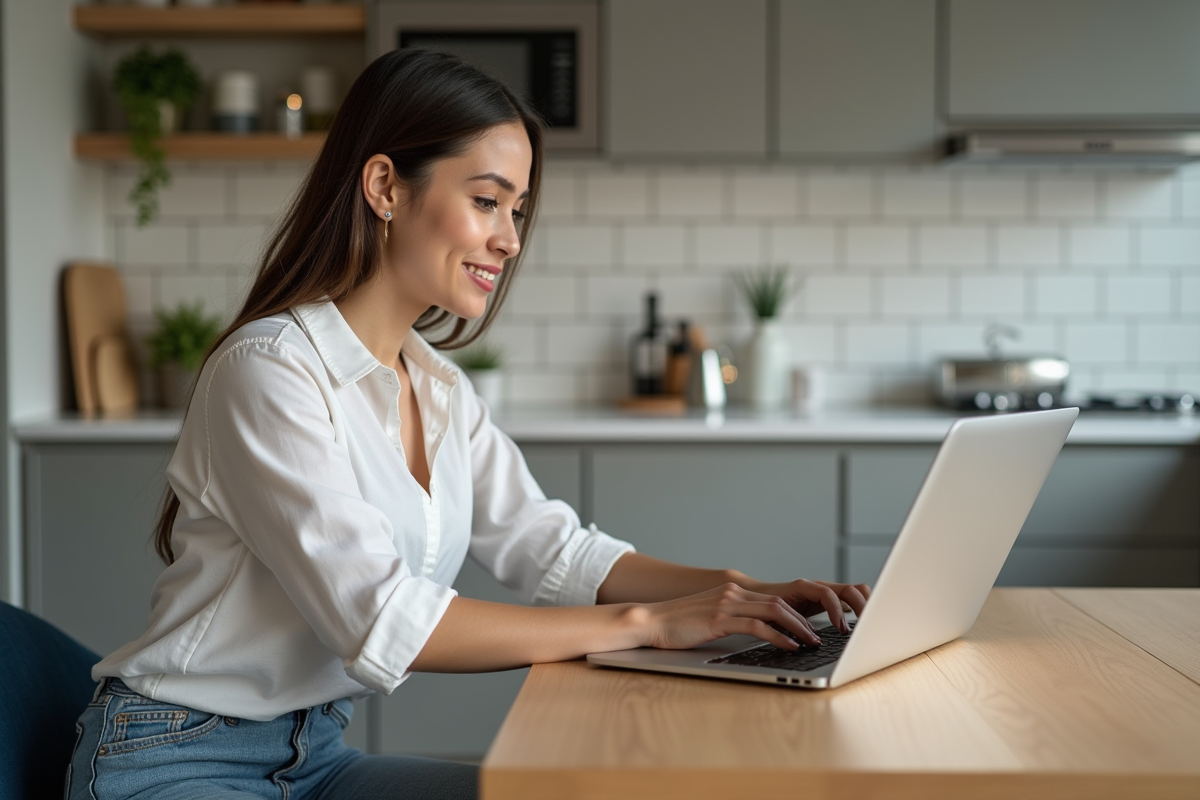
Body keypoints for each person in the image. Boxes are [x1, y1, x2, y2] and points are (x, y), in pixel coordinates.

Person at [66, 49, 871, 800]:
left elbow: (551, 549)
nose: (510, 238)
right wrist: (651, 624)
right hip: (177, 758)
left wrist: (744, 594)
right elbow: (385, 620)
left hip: (315, 757)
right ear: (385, 188)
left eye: (515, 209)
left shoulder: (438, 385)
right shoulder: (270, 371)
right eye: (486, 200)